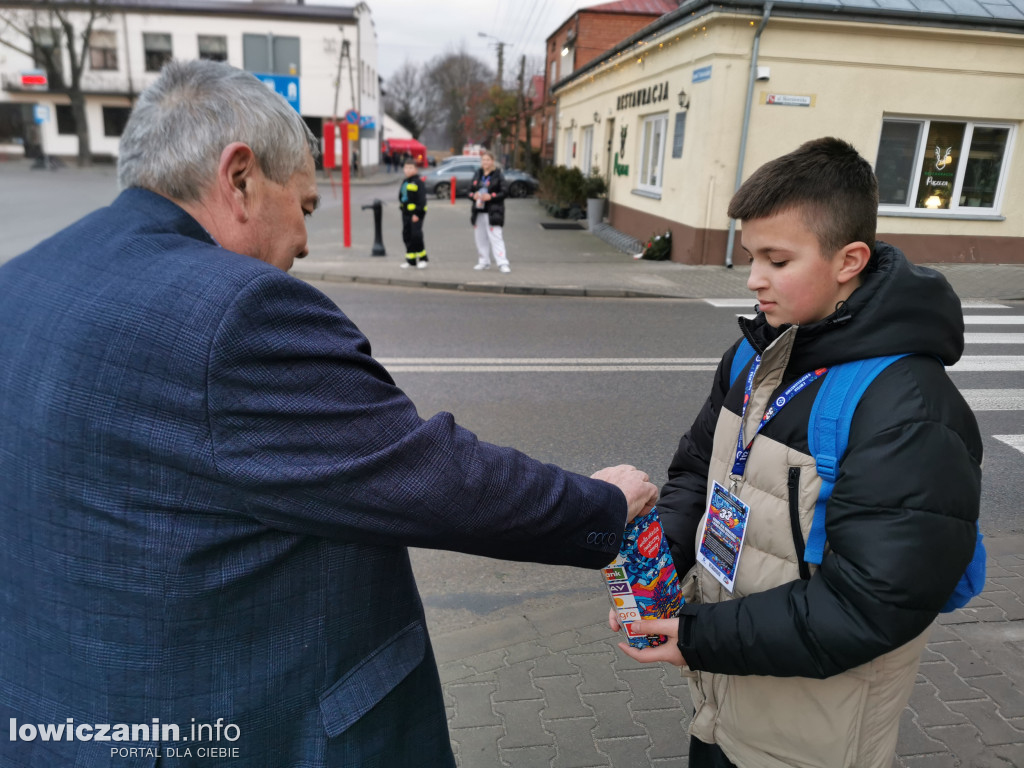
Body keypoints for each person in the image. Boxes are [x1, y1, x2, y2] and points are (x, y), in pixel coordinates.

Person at [0, 60, 659, 768]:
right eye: (307, 208)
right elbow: (430, 476)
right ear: (241, 178)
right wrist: (603, 508)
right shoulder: (239, 312)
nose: (308, 245)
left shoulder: (21, 281)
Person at [611, 137, 982, 768]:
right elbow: (700, 470)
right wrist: (659, 565)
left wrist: (700, 636)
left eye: (777, 260)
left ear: (849, 260)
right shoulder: (755, 356)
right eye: (750, 255)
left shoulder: (908, 408)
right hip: (725, 695)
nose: (754, 279)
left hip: (815, 731)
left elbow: (870, 607)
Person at [469, 150, 511, 273]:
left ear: (492, 161)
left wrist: (491, 196)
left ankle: (502, 263)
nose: (485, 162)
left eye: (488, 160)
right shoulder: (477, 174)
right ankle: (483, 262)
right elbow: (469, 190)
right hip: (478, 211)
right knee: (480, 238)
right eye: (483, 160)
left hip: (493, 212)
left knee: (496, 237)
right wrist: (474, 195)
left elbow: (504, 192)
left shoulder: (498, 175)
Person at [399, 158, 429, 269]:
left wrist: (417, 214)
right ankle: (411, 260)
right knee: (407, 235)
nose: (407, 170)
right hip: (406, 213)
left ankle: (423, 258)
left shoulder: (418, 182)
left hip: (416, 214)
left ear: (416, 169)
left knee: (416, 236)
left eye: (410, 168)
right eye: (406, 167)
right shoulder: (405, 181)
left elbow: (422, 200)